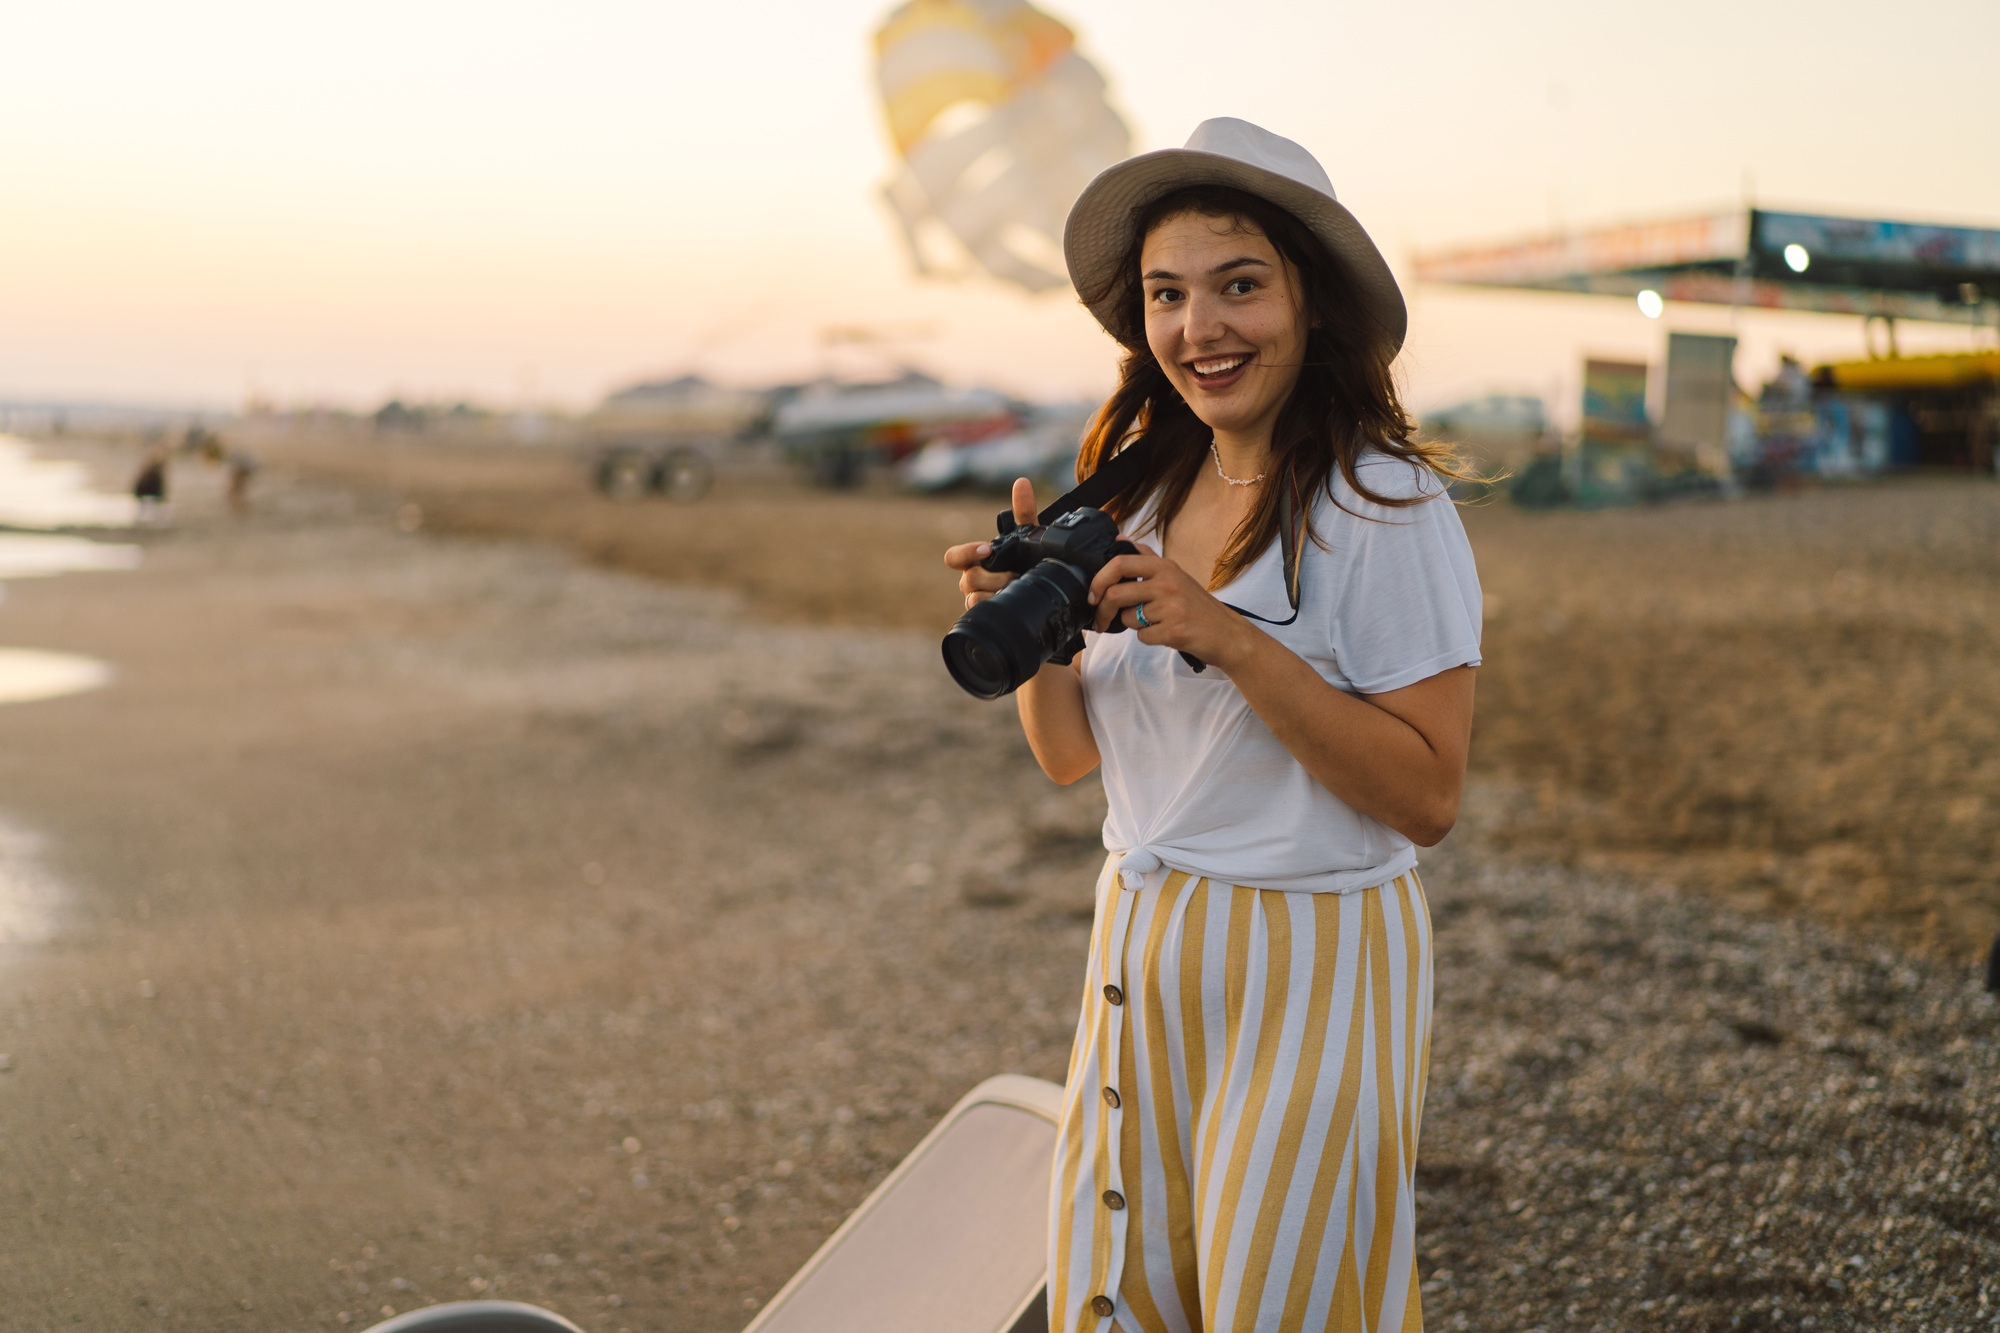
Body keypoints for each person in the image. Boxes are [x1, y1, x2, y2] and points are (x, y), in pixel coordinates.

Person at [945, 119, 1482, 1332]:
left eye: (1239, 286)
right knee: (1124, 1286)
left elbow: (1427, 796)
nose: (1201, 329)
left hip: (1310, 953)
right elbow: (1069, 756)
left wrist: (1229, 635)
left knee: (1282, 1297)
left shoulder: (1383, 501)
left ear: (1311, 302)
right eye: (1167, 295)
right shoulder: (1130, 485)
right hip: (1136, 938)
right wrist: (1035, 628)